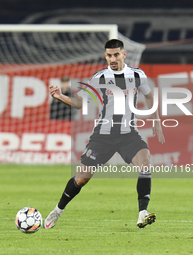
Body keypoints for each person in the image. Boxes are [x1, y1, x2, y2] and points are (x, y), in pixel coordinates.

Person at [45, 39, 165, 229]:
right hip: (103, 135)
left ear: (124, 54)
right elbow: (80, 102)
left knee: (145, 163)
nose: (112, 58)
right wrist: (60, 97)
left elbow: (149, 95)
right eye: (109, 55)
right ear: (105, 56)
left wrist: (156, 119)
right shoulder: (99, 78)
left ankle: (142, 212)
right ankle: (57, 210)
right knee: (82, 178)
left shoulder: (137, 74)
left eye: (116, 54)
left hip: (128, 134)